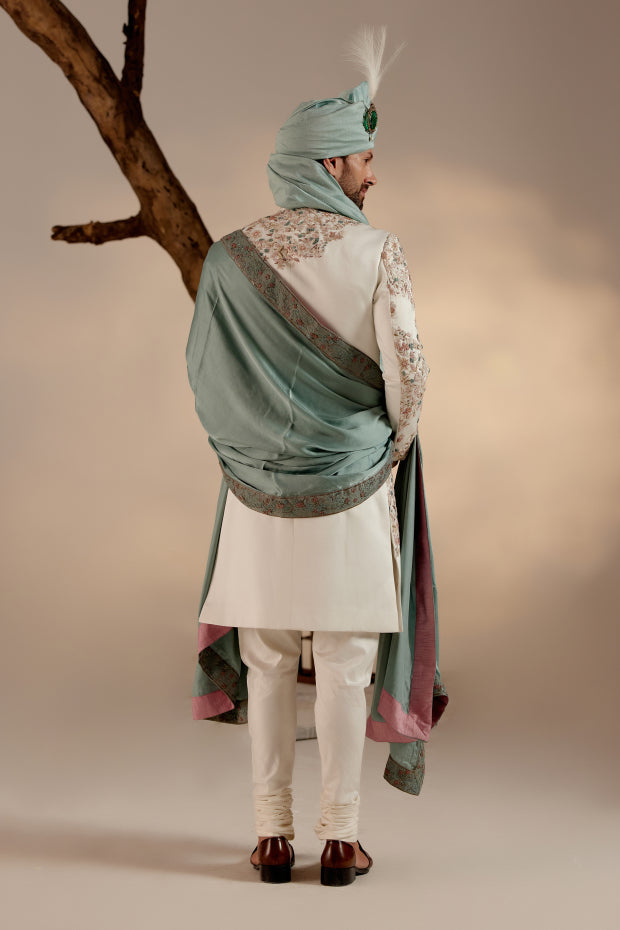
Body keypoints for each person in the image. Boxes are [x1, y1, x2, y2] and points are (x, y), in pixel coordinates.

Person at [186, 31, 448, 886]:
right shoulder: (378, 251)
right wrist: (388, 449)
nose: (373, 176)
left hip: (255, 491)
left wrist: (248, 456)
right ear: (330, 165)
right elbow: (410, 376)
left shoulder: (228, 257)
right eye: (365, 160)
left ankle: (271, 838)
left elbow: (203, 377)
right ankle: (340, 840)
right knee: (344, 660)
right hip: (354, 485)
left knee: (266, 660)